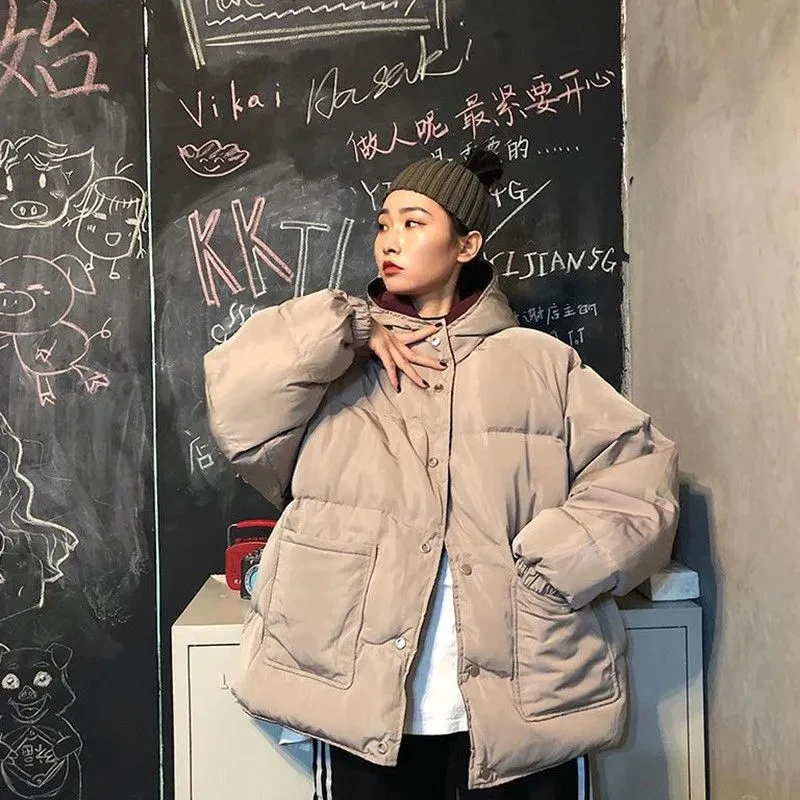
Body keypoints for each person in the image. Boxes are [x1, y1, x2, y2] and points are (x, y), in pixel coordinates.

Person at [204, 147, 679, 799]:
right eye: (383, 224)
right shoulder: (335, 365)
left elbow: (639, 475)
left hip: (522, 685)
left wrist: (552, 568)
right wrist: (351, 327)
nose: (390, 240)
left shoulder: (540, 363)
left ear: (466, 245)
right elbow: (237, 407)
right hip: (358, 689)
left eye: (414, 222)